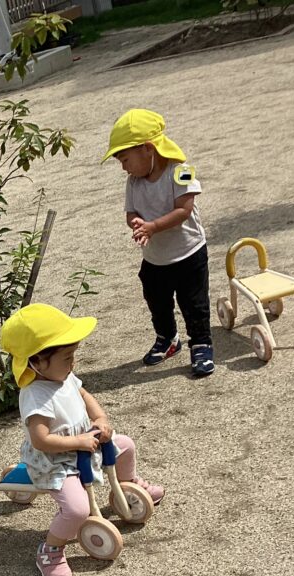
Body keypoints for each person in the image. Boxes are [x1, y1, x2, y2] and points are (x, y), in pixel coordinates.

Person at [0, 305, 164, 576]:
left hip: (83, 445)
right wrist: (78, 441)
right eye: (67, 357)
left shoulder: (63, 376)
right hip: (55, 461)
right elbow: (41, 440)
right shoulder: (35, 396)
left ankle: (128, 485)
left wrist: (100, 419)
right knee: (77, 509)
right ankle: (51, 549)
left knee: (125, 445)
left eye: (73, 355)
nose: (72, 362)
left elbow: (85, 395)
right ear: (37, 362)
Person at [103, 108, 215, 377]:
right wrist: (136, 223)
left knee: (194, 303)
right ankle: (167, 339)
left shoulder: (181, 171)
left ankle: (201, 343)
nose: (123, 167)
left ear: (148, 148)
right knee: (156, 300)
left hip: (188, 253)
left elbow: (184, 209)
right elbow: (131, 212)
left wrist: (152, 226)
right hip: (155, 258)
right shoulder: (133, 182)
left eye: (125, 159)